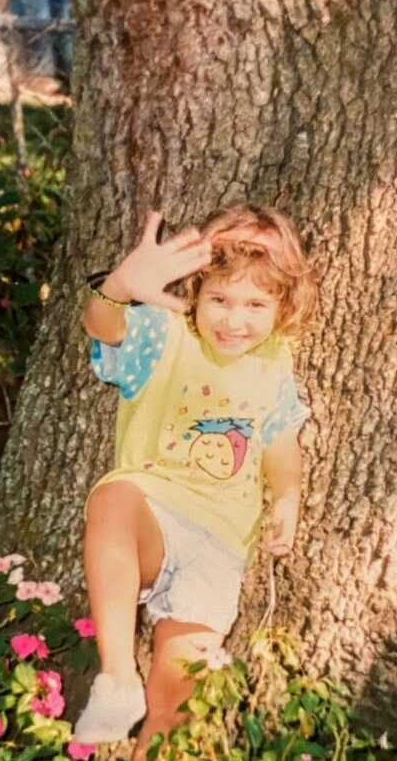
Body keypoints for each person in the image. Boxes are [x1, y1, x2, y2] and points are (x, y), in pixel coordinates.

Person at [74, 204, 315, 757]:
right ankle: (115, 679)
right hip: (150, 518)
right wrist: (118, 286)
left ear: (283, 306)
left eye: (256, 304)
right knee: (112, 496)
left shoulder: (275, 361)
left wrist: (288, 497)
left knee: (176, 702)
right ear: (195, 293)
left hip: (218, 547)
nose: (235, 320)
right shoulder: (165, 336)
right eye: (220, 300)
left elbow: (281, 444)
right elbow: (102, 325)